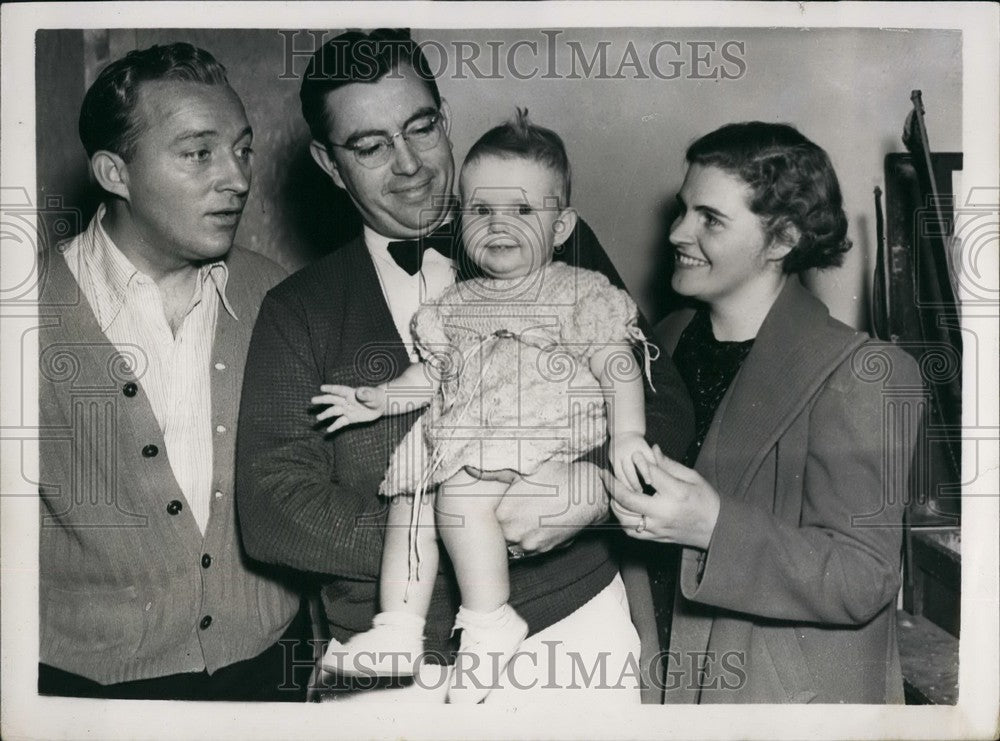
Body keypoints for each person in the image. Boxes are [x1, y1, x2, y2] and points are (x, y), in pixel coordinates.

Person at [235, 29, 693, 704]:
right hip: (393, 668)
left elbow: (666, 407)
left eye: (420, 128)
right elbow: (274, 508)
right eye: (370, 146)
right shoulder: (297, 309)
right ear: (329, 165)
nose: (410, 164)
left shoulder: (548, 244)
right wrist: (455, 530)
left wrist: (594, 489)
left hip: (572, 636)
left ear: (445, 121)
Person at [312, 110, 658, 703]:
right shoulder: (459, 302)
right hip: (462, 430)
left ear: (561, 225)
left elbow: (617, 363)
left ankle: (490, 618)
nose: (499, 225)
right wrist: (380, 399)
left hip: (536, 427)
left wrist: (627, 437)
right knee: (411, 501)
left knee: (463, 498)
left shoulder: (578, 292)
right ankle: (397, 629)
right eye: (480, 210)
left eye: (522, 211)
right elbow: (438, 372)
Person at [607, 122, 923, 703]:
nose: (677, 231)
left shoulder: (865, 373)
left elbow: (863, 577)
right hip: (654, 678)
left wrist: (714, 527)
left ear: (781, 241)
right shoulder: (665, 340)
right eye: (683, 210)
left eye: (711, 219)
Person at [37, 43, 308, 701]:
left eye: (242, 150)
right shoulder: (26, 311)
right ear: (114, 172)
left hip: (267, 667)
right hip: (85, 685)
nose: (237, 178)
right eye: (198, 153)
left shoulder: (280, 298)